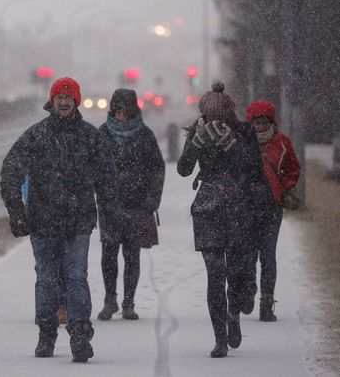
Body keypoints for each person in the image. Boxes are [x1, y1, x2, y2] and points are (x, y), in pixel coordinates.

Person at [0, 77, 118, 363]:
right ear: (51, 102)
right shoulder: (36, 135)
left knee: (76, 276)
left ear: (76, 101)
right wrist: (16, 210)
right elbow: (11, 170)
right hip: (42, 220)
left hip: (78, 219)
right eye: (59, 98)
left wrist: (109, 212)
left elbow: (107, 177)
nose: (64, 102)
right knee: (47, 279)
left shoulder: (90, 137)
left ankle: (79, 332)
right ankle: (47, 331)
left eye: (69, 98)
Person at [177, 82, 271, 358]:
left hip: (238, 208)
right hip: (208, 209)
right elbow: (183, 170)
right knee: (215, 276)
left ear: (229, 112)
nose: (214, 120)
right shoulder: (198, 131)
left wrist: (231, 146)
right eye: (210, 115)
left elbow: (254, 168)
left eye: (219, 115)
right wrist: (195, 144)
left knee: (237, 272)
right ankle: (219, 337)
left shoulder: (243, 132)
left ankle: (233, 313)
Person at [96, 89, 165, 321]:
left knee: (132, 255)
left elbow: (157, 169)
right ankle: (110, 300)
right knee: (108, 254)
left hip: (137, 206)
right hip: (109, 205)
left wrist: (151, 201)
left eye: (124, 111)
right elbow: (92, 168)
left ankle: (128, 302)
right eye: (117, 111)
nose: (121, 116)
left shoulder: (145, 135)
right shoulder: (102, 134)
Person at [245, 100, 301, 322]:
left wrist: (284, 186)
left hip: (272, 208)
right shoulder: (243, 143)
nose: (259, 126)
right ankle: (249, 289)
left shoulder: (282, 142)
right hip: (247, 208)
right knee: (248, 254)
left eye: (262, 122)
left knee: (268, 256)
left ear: (270, 121)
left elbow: (293, 169)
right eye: (255, 122)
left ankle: (267, 303)